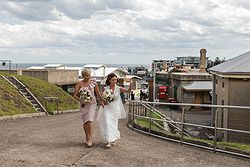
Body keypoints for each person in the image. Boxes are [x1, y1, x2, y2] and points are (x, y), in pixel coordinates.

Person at [97, 73, 132, 148]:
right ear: (109, 80)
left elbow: (128, 91)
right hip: (106, 108)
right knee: (107, 122)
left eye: (115, 80)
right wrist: (103, 102)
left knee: (113, 124)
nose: (114, 81)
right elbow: (102, 98)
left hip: (114, 109)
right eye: (113, 80)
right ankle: (109, 141)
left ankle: (113, 139)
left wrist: (131, 84)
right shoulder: (105, 88)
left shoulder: (118, 88)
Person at [73, 68, 104, 147]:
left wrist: (101, 101)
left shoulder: (93, 83)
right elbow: (75, 95)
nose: (88, 77)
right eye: (86, 76)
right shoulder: (79, 84)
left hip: (92, 104)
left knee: (90, 121)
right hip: (83, 105)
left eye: (89, 75)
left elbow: (98, 93)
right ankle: (87, 137)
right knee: (85, 122)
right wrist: (81, 100)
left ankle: (90, 138)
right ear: (83, 76)